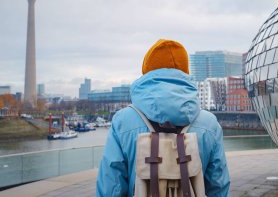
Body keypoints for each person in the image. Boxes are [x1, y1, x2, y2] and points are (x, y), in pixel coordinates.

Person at [96, 39, 230, 196]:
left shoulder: (122, 121)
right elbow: (218, 185)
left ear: (146, 70)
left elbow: (111, 187)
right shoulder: (209, 123)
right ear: (185, 71)